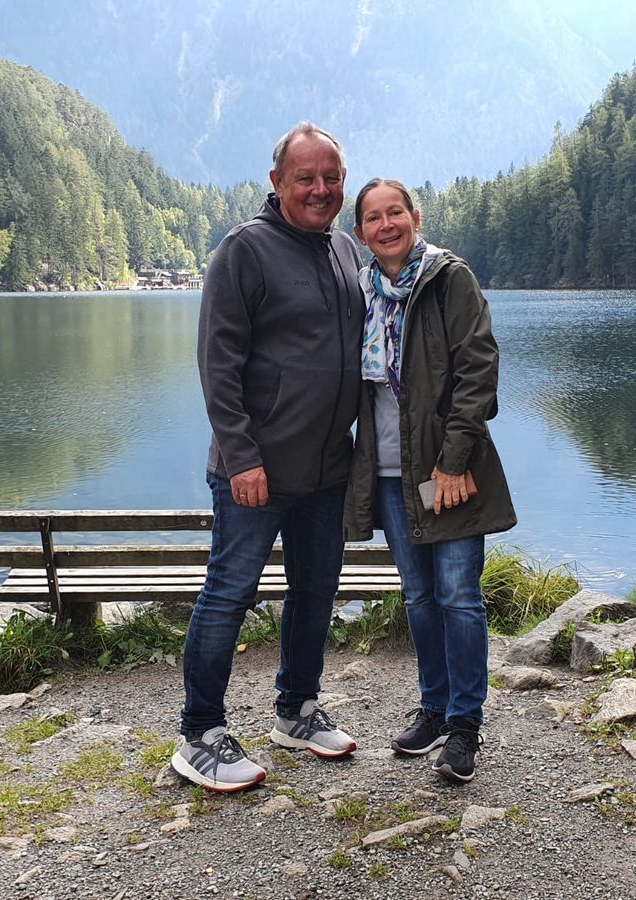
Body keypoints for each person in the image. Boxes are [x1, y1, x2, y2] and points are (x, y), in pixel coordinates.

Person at [172, 123, 363, 792]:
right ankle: (199, 734)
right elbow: (217, 365)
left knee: (316, 590)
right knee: (229, 593)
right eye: (305, 177)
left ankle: (297, 711)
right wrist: (242, 456)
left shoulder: (345, 249)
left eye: (331, 177)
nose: (320, 189)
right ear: (277, 182)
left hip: (327, 469)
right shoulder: (243, 251)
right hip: (255, 470)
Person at [344, 178, 516, 784]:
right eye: (373, 217)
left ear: (415, 217)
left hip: (448, 470)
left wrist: (454, 461)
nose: (386, 224)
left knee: (459, 596)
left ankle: (465, 725)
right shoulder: (361, 290)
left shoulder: (449, 278)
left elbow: (479, 369)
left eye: (395, 212)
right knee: (418, 596)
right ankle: (435, 708)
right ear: (360, 232)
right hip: (390, 473)